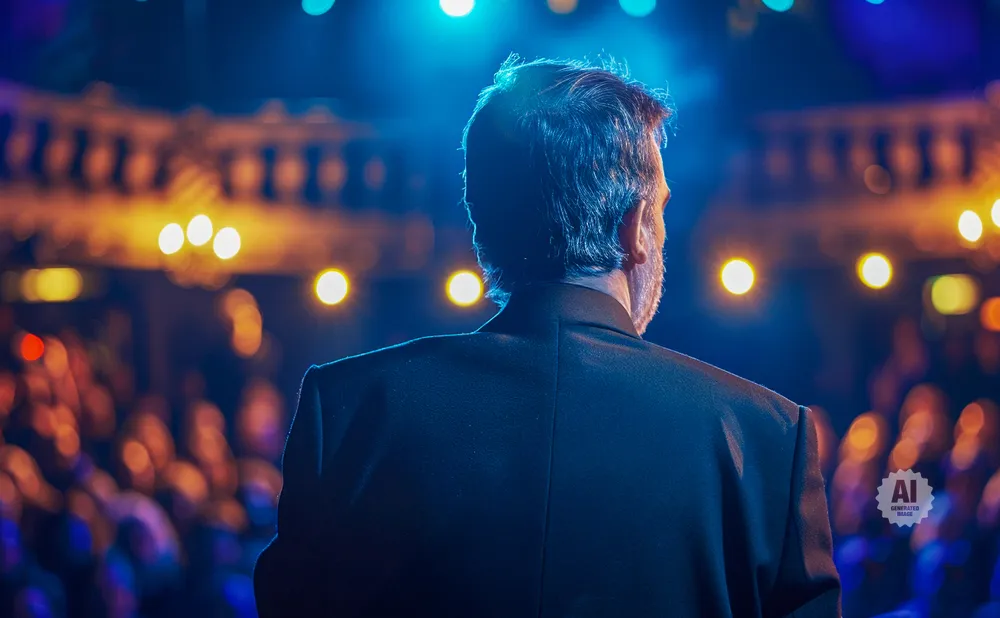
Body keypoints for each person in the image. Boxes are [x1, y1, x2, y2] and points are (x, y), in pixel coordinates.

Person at [254, 55, 841, 618]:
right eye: (661, 208)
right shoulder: (765, 437)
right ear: (636, 227)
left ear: (482, 224)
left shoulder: (350, 411)